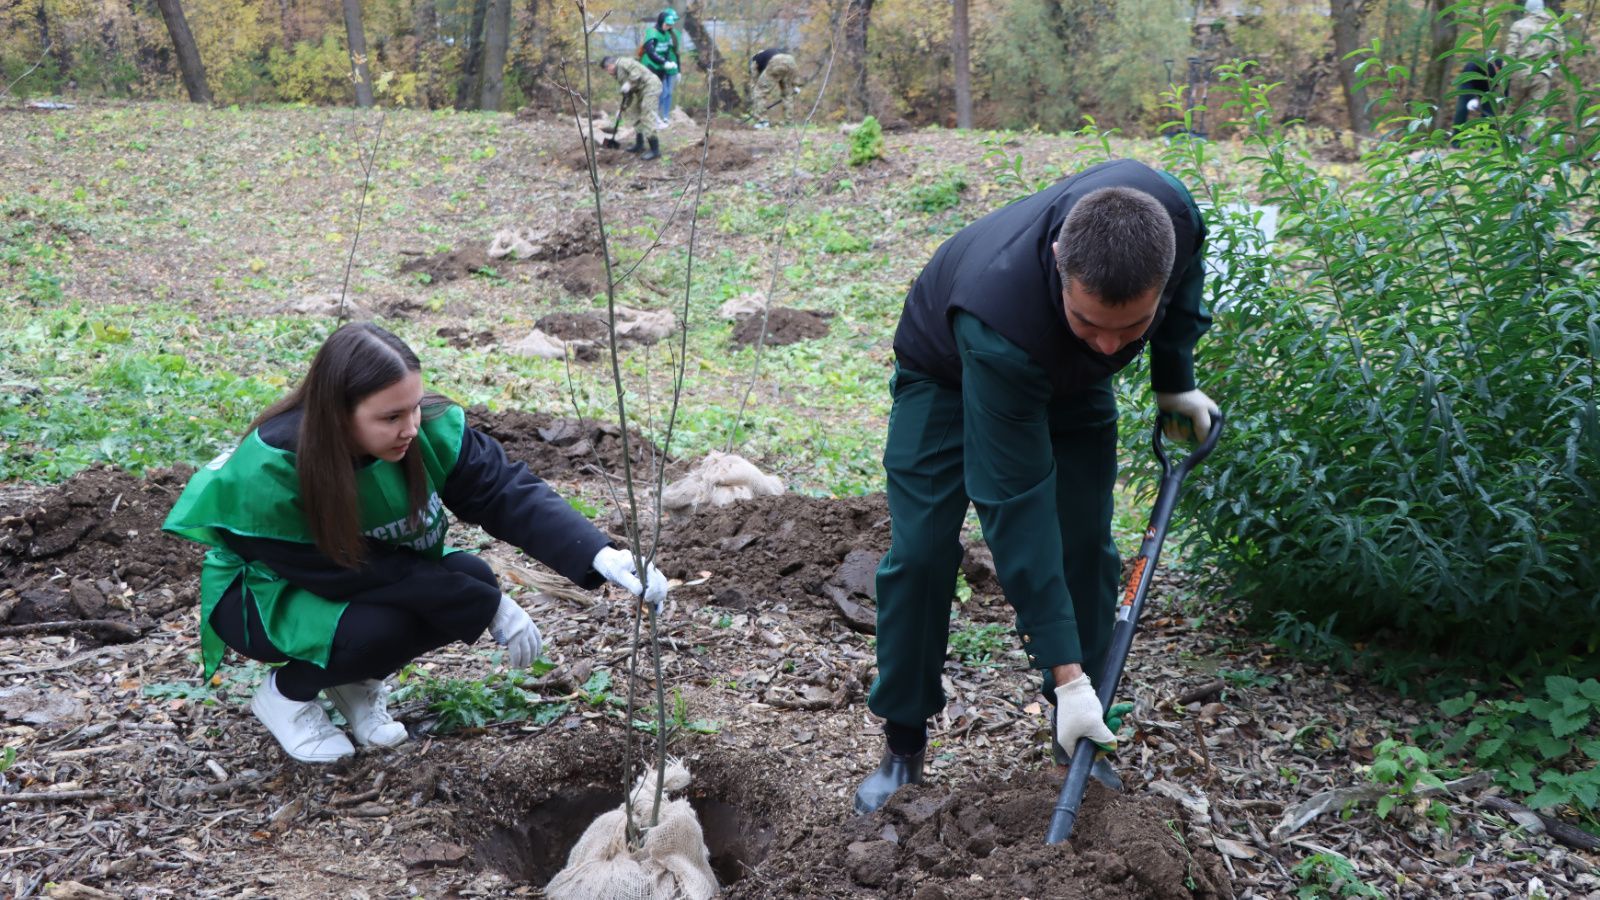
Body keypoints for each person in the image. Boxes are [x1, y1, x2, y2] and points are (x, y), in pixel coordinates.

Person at [853, 159, 1218, 815]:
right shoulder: (1000, 318)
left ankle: (1074, 738)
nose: (1109, 347)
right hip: (949, 370)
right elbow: (1015, 507)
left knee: (1086, 549)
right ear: (1057, 261)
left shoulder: (1177, 220)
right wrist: (1067, 671)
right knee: (925, 553)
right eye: (1089, 322)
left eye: (1130, 328)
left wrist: (1172, 376)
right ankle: (903, 743)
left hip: (1066, 382)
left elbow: (1182, 294)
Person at [163, 323, 670, 763]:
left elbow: (501, 490)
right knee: (393, 621)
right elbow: (345, 569)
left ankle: (352, 683)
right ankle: (287, 695)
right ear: (338, 413)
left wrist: (602, 554)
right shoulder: (274, 468)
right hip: (267, 594)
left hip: (365, 573)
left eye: (413, 408)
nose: (410, 429)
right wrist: (485, 605)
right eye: (389, 418)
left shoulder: (423, 428)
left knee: (470, 578)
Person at [1505, 0, 1567, 114]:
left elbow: (1510, 53)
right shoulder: (1554, 26)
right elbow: (1561, 51)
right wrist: (1552, 66)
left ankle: (1505, 131)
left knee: (1511, 110)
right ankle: (1536, 131)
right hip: (1543, 73)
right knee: (1537, 113)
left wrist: (1505, 76)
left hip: (1520, 71)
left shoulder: (1518, 25)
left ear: (1527, 9)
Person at [602, 55, 663, 161]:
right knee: (635, 113)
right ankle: (639, 145)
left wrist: (629, 83)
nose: (608, 72)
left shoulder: (623, 62)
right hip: (641, 91)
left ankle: (655, 150)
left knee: (647, 114)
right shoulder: (618, 75)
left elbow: (636, 73)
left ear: (611, 65)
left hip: (651, 86)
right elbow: (628, 95)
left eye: (607, 69)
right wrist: (622, 109)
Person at [641, 8, 681, 128]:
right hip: (650, 66)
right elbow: (651, 52)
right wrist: (664, 62)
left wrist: (671, 63)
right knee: (654, 92)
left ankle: (657, 118)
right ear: (661, 22)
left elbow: (667, 50)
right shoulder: (652, 33)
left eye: (670, 25)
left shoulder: (667, 34)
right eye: (666, 24)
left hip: (661, 67)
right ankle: (651, 118)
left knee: (664, 92)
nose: (668, 27)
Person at [1450, 55, 1503, 144]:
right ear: (1495, 66)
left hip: (1486, 88)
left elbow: (1496, 87)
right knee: (1462, 110)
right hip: (1467, 84)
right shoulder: (1475, 63)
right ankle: (1456, 141)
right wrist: (1471, 98)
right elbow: (1466, 82)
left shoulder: (1498, 73)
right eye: (1498, 70)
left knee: (1489, 113)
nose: (1498, 73)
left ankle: (1485, 142)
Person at [749, 48, 798, 128]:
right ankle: (789, 123)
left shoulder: (755, 60)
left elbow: (754, 83)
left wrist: (756, 102)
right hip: (791, 61)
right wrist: (795, 86)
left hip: (776, 63)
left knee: (758, 92)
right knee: (788, 94)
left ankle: (762, 121)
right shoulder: (770, 52)